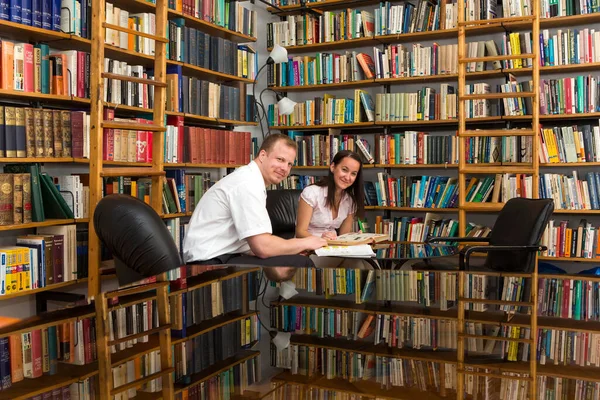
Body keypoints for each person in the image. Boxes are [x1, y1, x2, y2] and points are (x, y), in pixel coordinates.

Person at [182, 133, 327, 281]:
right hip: (208, 263)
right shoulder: (247, 184)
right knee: (302, 262)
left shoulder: (251, 179)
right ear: (262, 155)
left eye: (289, 164)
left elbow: (254, 244)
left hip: (222, 255)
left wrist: (294, 248)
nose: (285, 168)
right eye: (280, 159)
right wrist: (306, 242)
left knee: (292, 259)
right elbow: (262, 247)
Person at [295, 150, 365, 240]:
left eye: (353, 174)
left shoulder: (350, 201)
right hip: (307, 248)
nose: (348, 177)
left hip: (332, 248)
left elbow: (344, 235)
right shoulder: (312, 193)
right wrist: (321, 239)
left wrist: (355, 237)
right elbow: (300, 233)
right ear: (333, 167)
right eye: (344, 170)